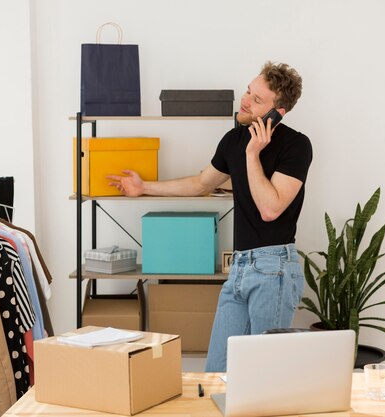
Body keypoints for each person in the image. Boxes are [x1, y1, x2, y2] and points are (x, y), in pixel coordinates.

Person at [106, 62, 313, 372]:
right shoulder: (233, 141)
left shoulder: (296, 146)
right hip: (240, 269)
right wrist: (143, 187)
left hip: (275, 269)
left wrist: (253, 154)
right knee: (217, 374)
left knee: (263, 375)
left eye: (257, 100)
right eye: (248, 91)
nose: (245, 100)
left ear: (277, 113)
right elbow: (201, 183)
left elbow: (270, 208)